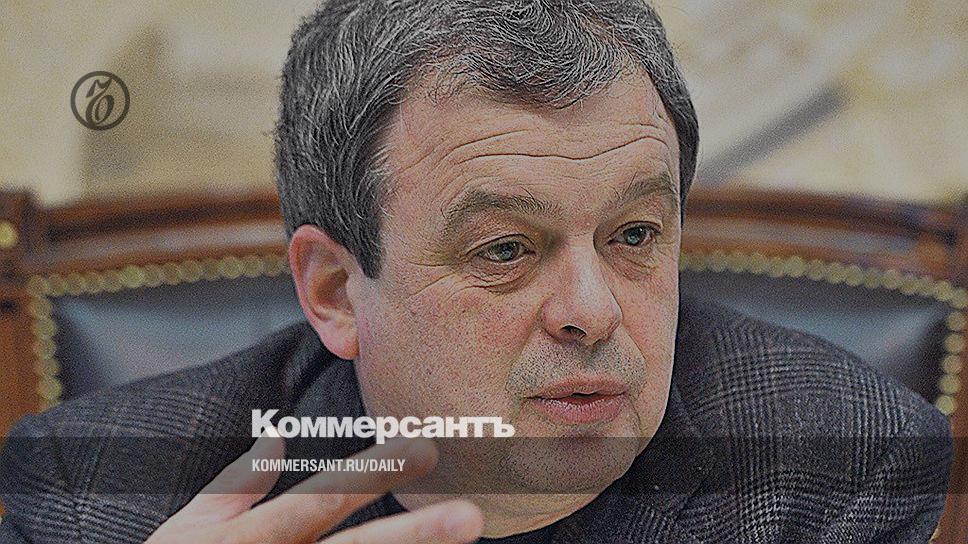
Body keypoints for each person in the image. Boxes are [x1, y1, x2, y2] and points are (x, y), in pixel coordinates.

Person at [0, 1, 952, 543]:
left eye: (633, 234)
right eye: (505, 249)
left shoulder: (833, 465)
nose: (592, 311)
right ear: (335, 291)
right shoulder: (101, 492)